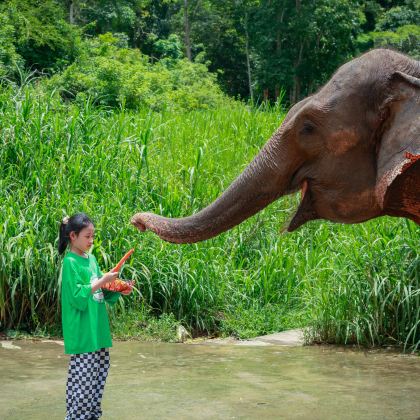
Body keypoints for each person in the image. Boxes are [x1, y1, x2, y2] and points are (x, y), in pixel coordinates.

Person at [58, 212, 133, 420]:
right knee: (82, 385)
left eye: (93, 236)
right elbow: (77, 296)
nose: (91, 241)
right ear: (73, 236)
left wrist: (119, 288)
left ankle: (91, 416)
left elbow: (100, 291)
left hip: (97, 333)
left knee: (97, 380)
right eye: (87, 236)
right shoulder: (70, 262)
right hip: (83, 335)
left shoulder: (90, 259)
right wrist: (102, 281)